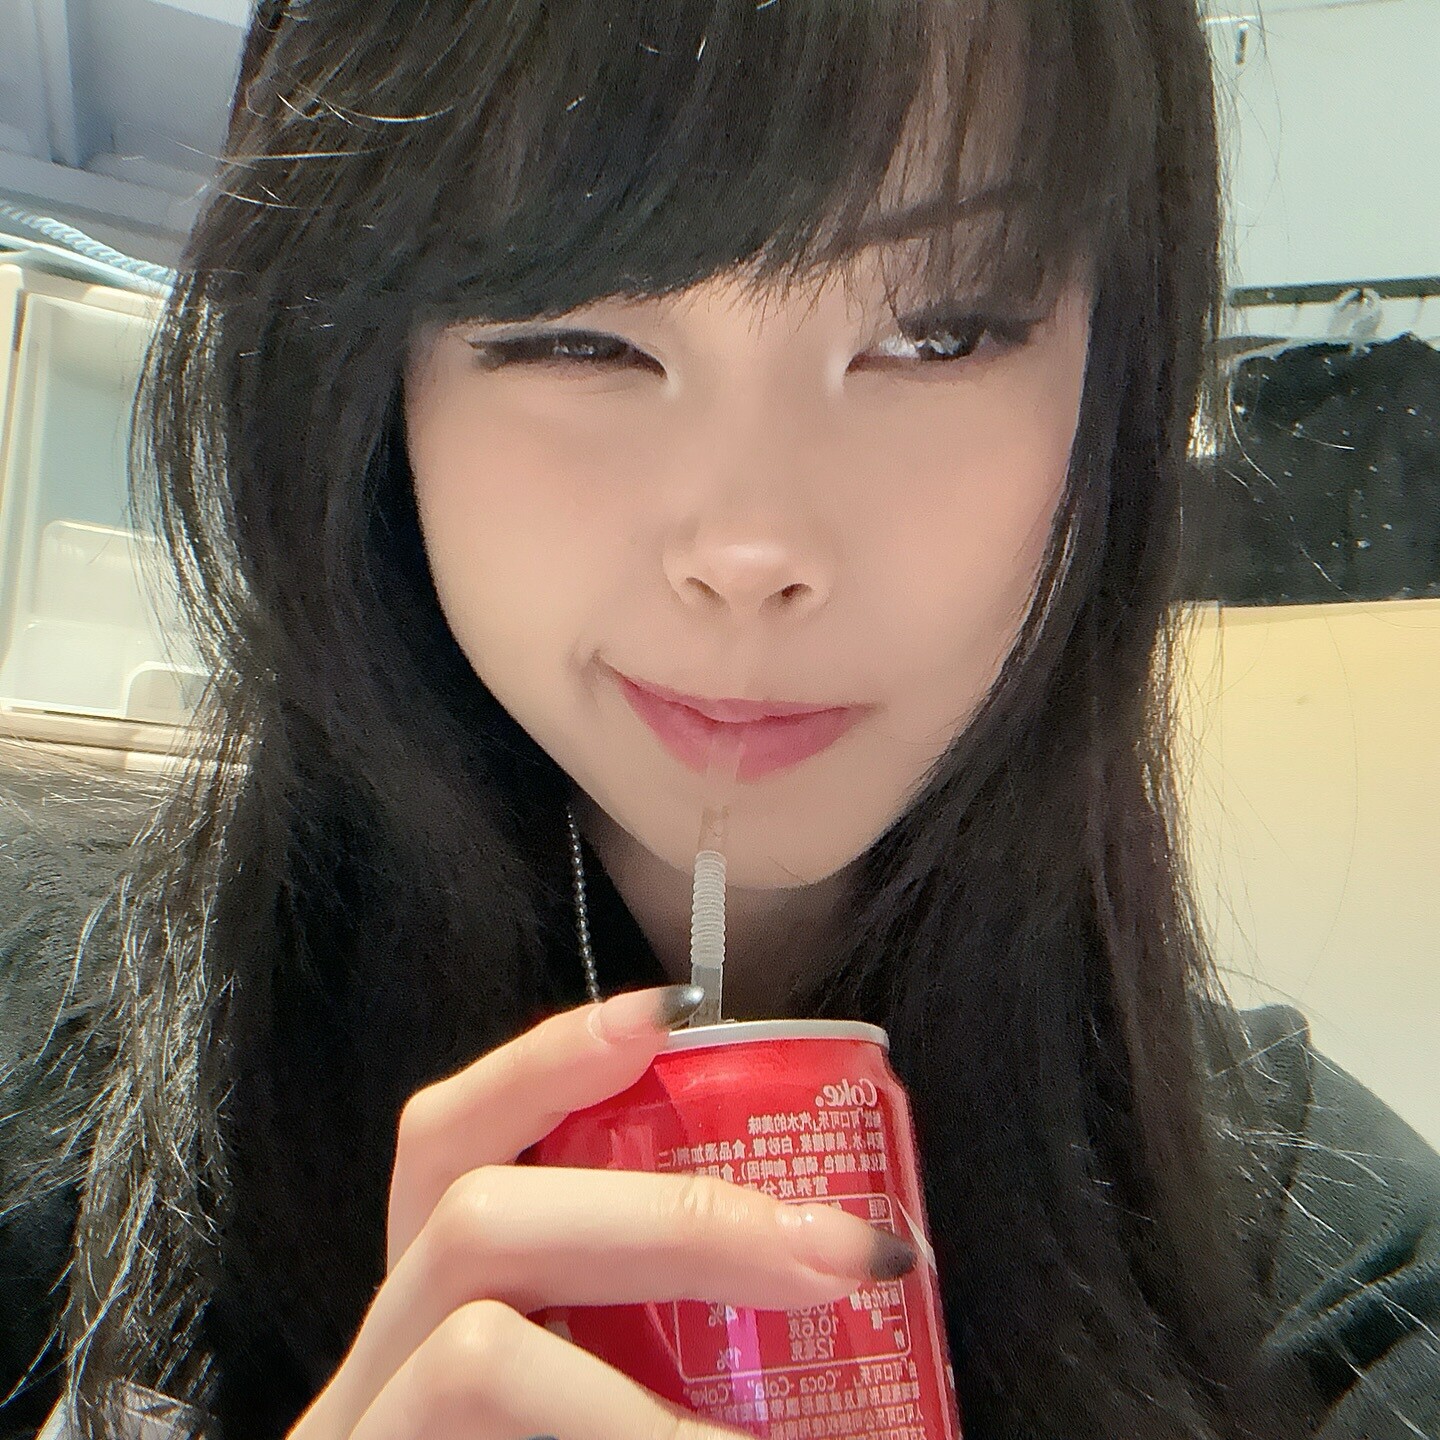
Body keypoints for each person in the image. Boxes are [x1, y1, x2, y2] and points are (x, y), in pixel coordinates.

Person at [0, 1, 1437, 1438]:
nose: (752, 550)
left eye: (940, 333)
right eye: (577, 335)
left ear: (1113, 376)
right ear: (361, 375)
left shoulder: (1324, 1253)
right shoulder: (47, 1065)